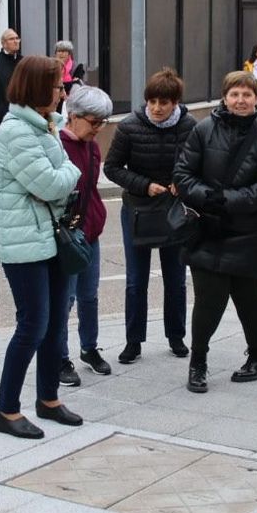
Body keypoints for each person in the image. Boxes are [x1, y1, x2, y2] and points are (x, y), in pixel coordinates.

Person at [174, 70, 257, 393]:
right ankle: (198, 362)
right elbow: (183, 174)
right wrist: (206, 197)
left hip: (253, 232)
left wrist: (228, 199)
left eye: (247, 95)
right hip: (208, 229)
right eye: (235, 94)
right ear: (225, 97)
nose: (241, 100)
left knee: (250, 300)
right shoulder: (203, 130)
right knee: (207, 301)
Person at [0, 55, 84, 437]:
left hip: (51, 237)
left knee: (55, 323)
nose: (63, 91)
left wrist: (65, 175)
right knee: (32, 325)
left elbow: (53, 181)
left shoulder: (46, 126)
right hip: (25, 242)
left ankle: (48, 399)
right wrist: (73, 169)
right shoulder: (15, 130)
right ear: (36, 88)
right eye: (58, 86)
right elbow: (50, 183)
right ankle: (6, 410)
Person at [105, 68, 197, 364]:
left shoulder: (189, 126)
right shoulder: (130, 126)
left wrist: (180, 182)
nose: (157, 108)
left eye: (164, 102)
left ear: (176, 103)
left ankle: (176, 337)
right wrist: (145, 185)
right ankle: (133, 342)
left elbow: (199, 163)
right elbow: (113, 167)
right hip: (138, 209)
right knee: (136, 280)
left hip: (174, 210)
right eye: (152, 101)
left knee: (176, 279)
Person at [57, 85, 115, 381]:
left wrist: (96, 217)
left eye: (102, 123)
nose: (98, 129)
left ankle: (89, 348)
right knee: (65, 300)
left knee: (89, 296)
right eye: (94, 122)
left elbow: (91, 187)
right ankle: (59, 358)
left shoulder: (91, 146)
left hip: (90, 231)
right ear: (74, 116)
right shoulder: (56, 145)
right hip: (66, 236)